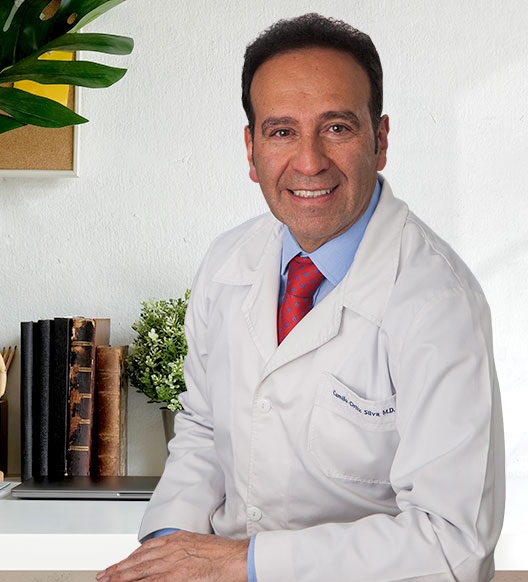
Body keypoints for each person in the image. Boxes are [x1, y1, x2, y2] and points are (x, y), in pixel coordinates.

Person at [97, 13, 505, 582]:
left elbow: (452, 543)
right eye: (282, 131)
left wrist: (247, 562)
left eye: (337, 127)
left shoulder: (437, 301)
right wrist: (169, 548)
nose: (309, 161)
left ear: (380, 140)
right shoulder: (228, 262)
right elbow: (205, 430)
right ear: (251, 148)